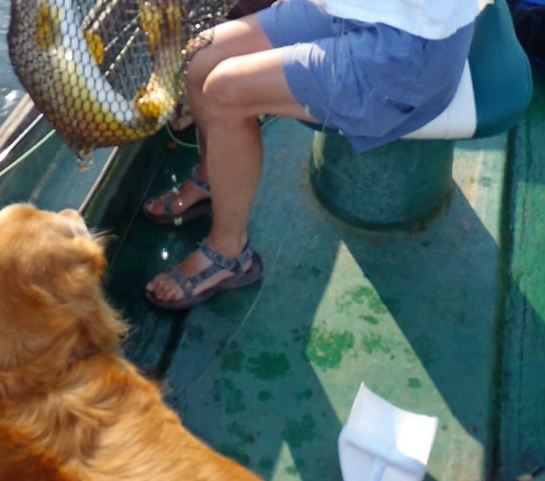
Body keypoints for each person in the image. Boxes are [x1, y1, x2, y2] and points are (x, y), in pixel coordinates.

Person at [143, 0, 481, 310]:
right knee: (198, 59)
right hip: (344, 9)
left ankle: (228, 254)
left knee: (223, 91)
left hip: (405, 48)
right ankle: (213, 178)